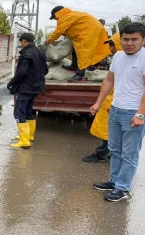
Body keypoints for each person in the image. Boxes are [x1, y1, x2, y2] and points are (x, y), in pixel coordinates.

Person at [91, 23, 145, 202]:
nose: (129, 43)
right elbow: (108, 80)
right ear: (120, 39)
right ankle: (114, 181)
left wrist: (140, 114)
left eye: (134, 39)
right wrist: (98, 103)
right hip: (115, 109)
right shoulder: (118, 56)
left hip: (133, 112)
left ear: (143, 40)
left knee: (129, 153)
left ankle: (122, 188)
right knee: (114, 149)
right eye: (125, 39)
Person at [83, 32, 122, 163]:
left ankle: (103, 153)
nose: (111, 48)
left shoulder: (134, 60)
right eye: (110, 45)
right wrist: (98, 102)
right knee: (110, 130)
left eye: (113, 45)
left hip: (118, 102)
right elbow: (109, 80)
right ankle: (111, 152)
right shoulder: (117, 60)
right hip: (111, 100)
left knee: (109, 130)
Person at [45, 6, 110, 82]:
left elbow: (58, 31)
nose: (55, 19)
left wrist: (49, 40)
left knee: (83, 53)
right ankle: (74, 66)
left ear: (57, 14)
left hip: (88, 31)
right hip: (91, 28)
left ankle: (80, 75)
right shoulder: (70, 15)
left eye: (54, 17)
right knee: (76, 49)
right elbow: (68, 29)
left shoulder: (64, 17)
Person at [7, 33, 48, 149]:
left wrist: (12, 82)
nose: (21, 44)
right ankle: (29, 136)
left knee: (20, 112)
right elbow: (45, 70)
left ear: (24, 41)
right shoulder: (39, 52)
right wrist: (37, 77)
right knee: (29, 110)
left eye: (21, 42)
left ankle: (24, 141)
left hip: (26, 87)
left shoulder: (26, 53)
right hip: (36, 87)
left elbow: (22, 71)